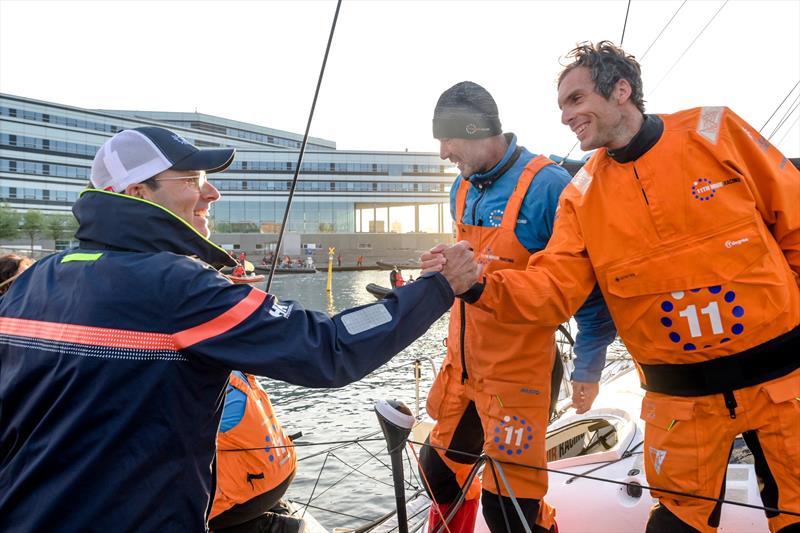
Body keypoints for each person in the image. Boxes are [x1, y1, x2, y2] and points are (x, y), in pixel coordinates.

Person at [0, 126, 477, 531]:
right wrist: (436, 288)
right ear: (136, 194)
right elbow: (328, 347)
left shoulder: (34, 281)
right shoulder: (176, 286)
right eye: (193, 179)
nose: (212, 192)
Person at [425, 43, 800, 533]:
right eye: (561, 106)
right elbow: (553, 289)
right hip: (681, 407)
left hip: (783, 386)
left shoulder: (716, 130)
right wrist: (476, 286)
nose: (566, 116)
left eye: (576, 100)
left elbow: (791, 219)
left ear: (621, 90)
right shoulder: (580, 195)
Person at [419, 81, 616, 533]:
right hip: (463, 368)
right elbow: (470, 270)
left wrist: (588, 368)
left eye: (448, 140)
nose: (445, 153)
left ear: (475, 129)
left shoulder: (549, 186)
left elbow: (587, 288)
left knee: (509, 512)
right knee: (438, 471)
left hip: (519, 374)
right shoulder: (461, 187)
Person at [210, 369, 300, 533]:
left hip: (256, 485)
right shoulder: (234, 372)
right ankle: (278, 510)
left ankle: (273, 528)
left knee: (194, 514)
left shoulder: (204, 388)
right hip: (283, 468)